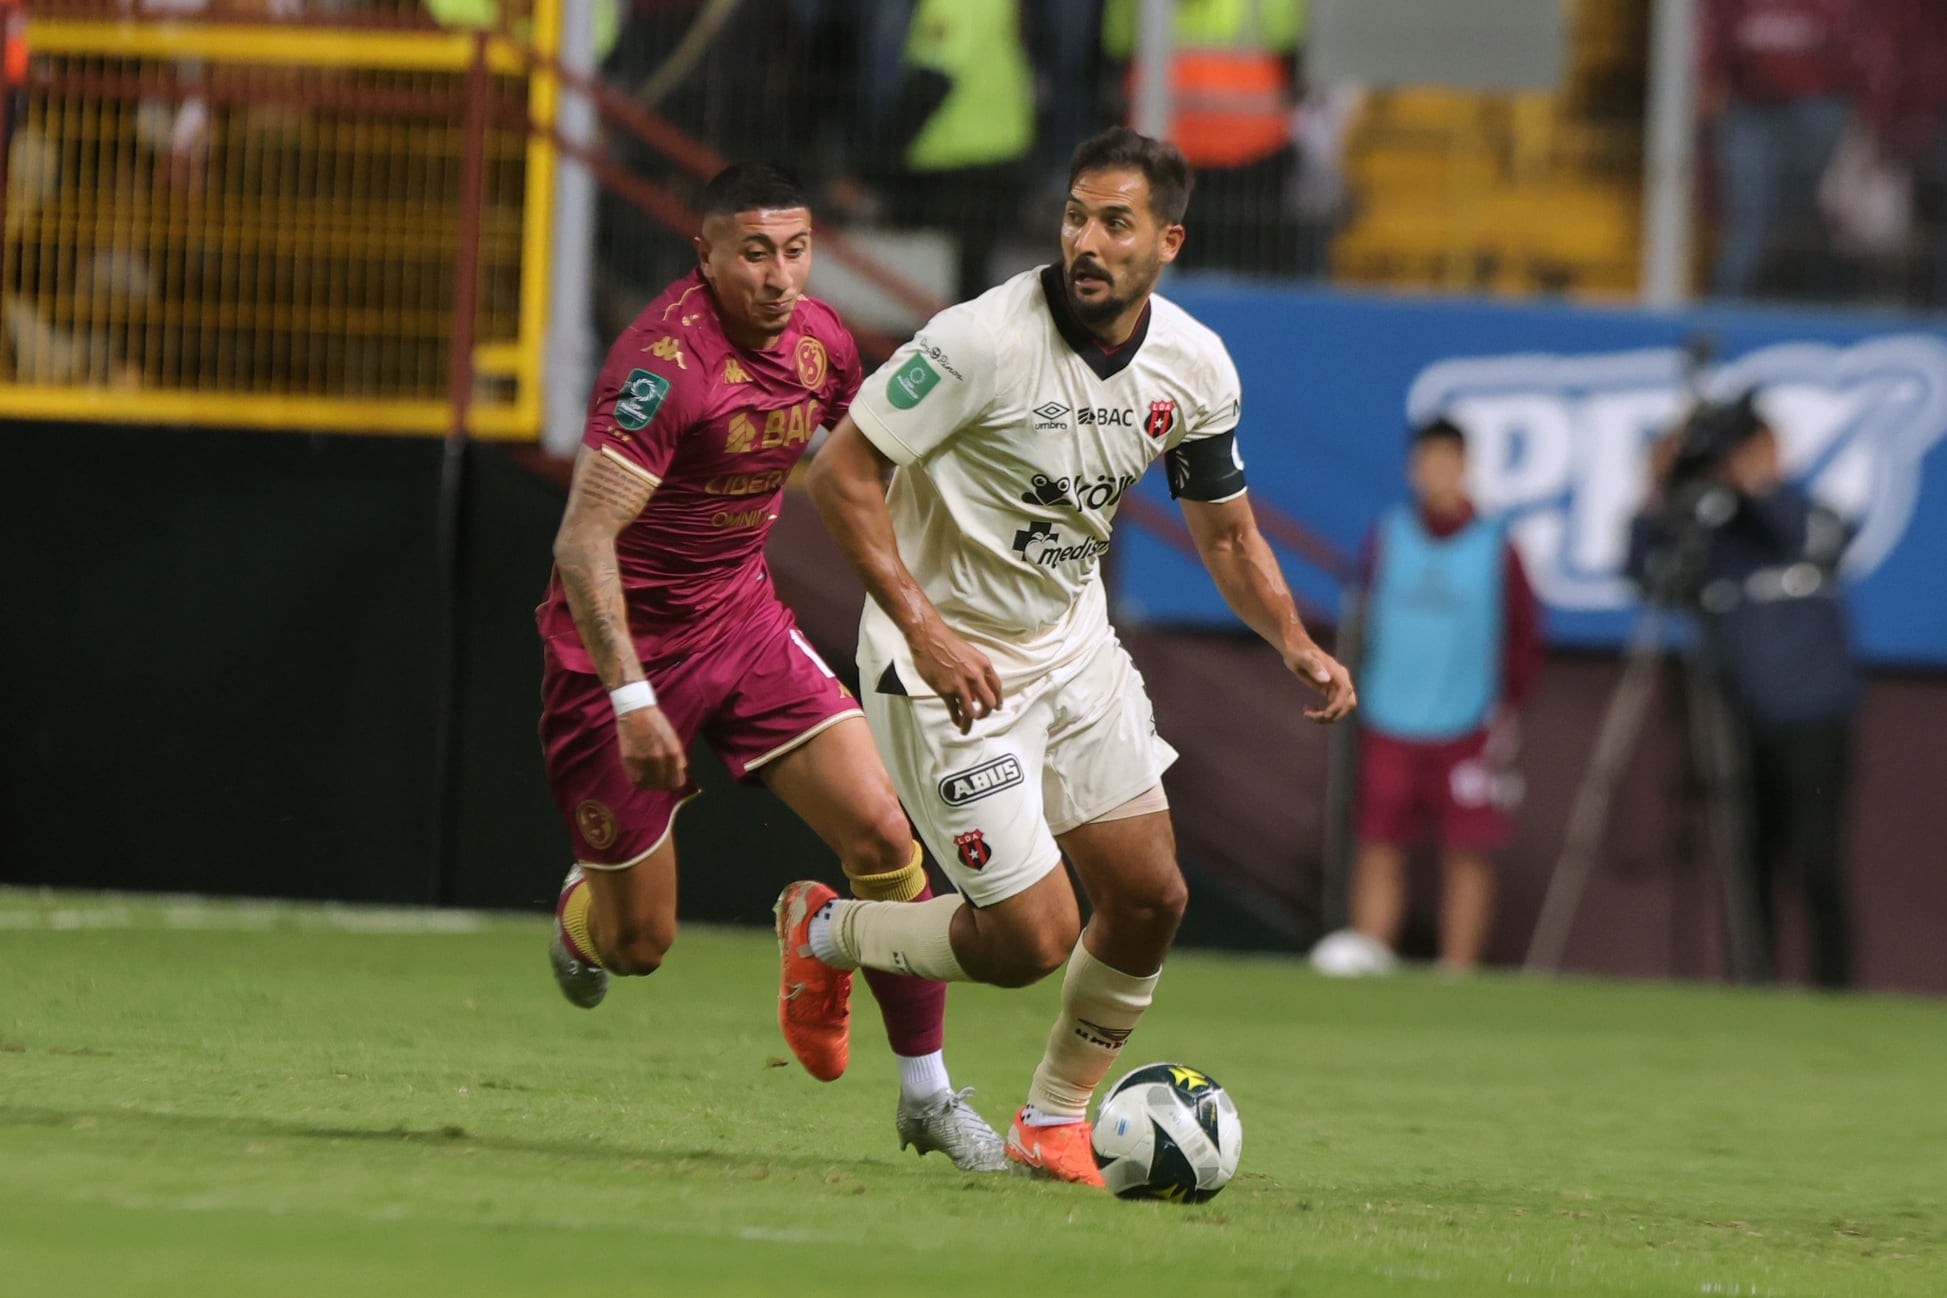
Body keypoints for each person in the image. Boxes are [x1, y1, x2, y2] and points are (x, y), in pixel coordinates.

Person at [779, 126, 1356, 1186]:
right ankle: (830, 929)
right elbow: (841, 477)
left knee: (1151, 896)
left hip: (1072, 648)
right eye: (1075, 217)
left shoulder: (1193, 363)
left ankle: (1052, 1120)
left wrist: (1292, 640)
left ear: (1167, 240)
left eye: (1116, 222)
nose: (1087, 240)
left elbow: (1226, 532)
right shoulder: (980, 341)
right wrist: (925, 625)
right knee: (1031, 937)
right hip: (944, 663)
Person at [534, 162, 1006, 1171]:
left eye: (795, 248)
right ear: (703, 253)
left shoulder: (822, 341)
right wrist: (629, 697)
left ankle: (925, 1092)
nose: (781, 273)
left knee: (886, 830)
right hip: (616, 655)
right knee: (640, 945)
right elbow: (583, 544)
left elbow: (868, 461)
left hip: (742, 624)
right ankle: (584, 920)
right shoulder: (662, 367)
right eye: (755, 251)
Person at [1627, 393, 1860, 988]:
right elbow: (1646, 573)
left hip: (1814, 714)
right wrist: (1661, 490)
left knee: (1814, 858)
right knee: (1746, 857)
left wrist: (1755, 484)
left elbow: (1807, 538)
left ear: (1774, 449)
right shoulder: (1718, 534)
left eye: (1748, 449)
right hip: (1740, 714)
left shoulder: (1811, 512)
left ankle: (1836, 989)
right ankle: (1755, 984)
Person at [1345, 418, 1545, 974]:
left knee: (1469, 851)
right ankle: (1369, 955)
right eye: (1425, 463)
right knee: (1379, 844)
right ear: (1413, 469)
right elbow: (1362, 620)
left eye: (1446, 462)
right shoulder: (1387, 537)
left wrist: (1502, 710)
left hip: (1467, 726)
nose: (1436, 475)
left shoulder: (1498, 547)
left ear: (1465, 466)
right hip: (1389, 718)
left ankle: (1456, 970)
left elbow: (1525, 637)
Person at [1700, 0, 1864, 299]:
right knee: (1750, 222)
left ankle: (1817, 311)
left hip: (1820, 105)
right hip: (1750, 107)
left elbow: (1856, 48)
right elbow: (1714, 44)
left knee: (1816, 218)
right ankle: (1726, 315)